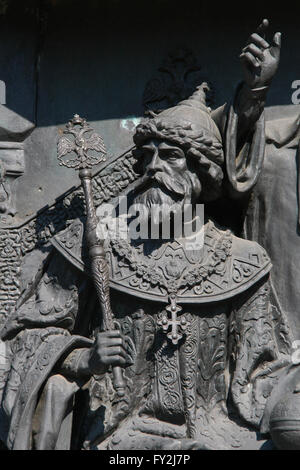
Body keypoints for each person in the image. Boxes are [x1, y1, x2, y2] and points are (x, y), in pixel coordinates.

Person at [0, 19, 291, 450]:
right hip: (114, 439)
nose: (154, 168)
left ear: (202, 172)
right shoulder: (94, 246)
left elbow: (264, 371)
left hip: (218, 438)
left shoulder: (242, 262)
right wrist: (83, 358)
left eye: (171, 155)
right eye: (147, 157)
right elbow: (26, 340)